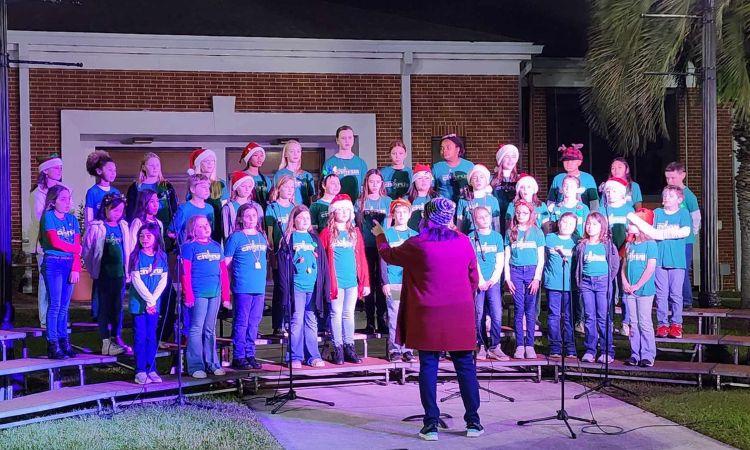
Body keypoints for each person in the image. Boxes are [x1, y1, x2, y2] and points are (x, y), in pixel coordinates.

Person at [374, 197, 482, 441]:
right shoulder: (463, 242)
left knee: (429, 366)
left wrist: (380, 235)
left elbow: (388, 255)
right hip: (459, 312)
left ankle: (431, 425)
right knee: (465, 366)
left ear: (426, 217)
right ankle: (473, 422)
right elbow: (473, 277)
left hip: (428, 313)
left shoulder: (418, 243)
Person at [627, 186, 691, 339]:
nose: (667, 198)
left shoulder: (683, 213)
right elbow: (650, 232)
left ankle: (676, 324)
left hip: (677, 262)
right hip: (659, 261)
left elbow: (685, 231)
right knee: (661, 295)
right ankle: (662, 324)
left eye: (671, 196)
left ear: (679, 200)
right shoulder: (657, 213)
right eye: (665, 195)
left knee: (676, 295)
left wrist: (660, 234)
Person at [319, 194, 370, 365]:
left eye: (346, 209)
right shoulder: (326, 233)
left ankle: (349, 347)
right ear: (333, 213)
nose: (343, 212)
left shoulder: (355, 233)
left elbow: (362, 259)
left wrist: (365, 282)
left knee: (348, 314)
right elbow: (321, 260)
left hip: (351, 282)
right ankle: (338, 348)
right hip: (336, 283)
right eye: (339, 209)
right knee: (336, 313)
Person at [278, 205, 328, 368]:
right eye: (301, 218)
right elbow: (283, 266)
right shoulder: (289, 238)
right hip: (297, 287)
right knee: (297, 321)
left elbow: (323, 264)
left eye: (308, 218)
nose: (305, 221)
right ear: (294, 220)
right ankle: (294, 357)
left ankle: (313, 356)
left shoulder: (314, 239)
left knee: (311, 321)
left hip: (312, 287)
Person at [180, 215, 231, 378]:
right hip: (198, 293)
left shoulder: (216, 246)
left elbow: (223, 273)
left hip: (214, 293)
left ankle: (212, 363)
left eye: (207, 225)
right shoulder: (189, 247)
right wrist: (188, 295)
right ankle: (195, 366)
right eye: (200, 226)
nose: (205, 228)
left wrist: (226, 296)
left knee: (210, 329)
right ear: (193, 230)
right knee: (196, 328)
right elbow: (185, 273)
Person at [82, 193, 132, 356]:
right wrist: (93, 270)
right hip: (104, 274)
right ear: (105, 208)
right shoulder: (96, 227)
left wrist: (128, 270)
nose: (117, 214)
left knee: (117, 307)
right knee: (103, 307)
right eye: (114, 210)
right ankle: (105, 341)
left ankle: (117, 337)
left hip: (119, 275)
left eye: (120, 211)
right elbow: (87, 250)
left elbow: (128, 249)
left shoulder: (123, 226)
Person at [39, 184, 81, 359]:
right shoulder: (48, 217)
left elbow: (77, 245)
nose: (67, 202)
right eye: (62, 199)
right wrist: (76, 249)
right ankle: (53, 343)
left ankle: (64, 341)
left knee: (64, 306)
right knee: (55, 304)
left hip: (69, 264)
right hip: (54, 263)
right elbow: (55, 242)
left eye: (68, 199)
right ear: (53, 201)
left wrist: (76, 268)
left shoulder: (73, 220)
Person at [224, 203, 268, 370]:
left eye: (254, 216)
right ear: (241, 219)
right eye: (247, 216)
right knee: (242, 322)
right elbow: (226, 263)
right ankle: (239, 356)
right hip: (243, 286)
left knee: (254, 322)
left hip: (259, 286)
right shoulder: (236, 237)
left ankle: (250, 354)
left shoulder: (261, 236)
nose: (251, 219)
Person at [575, 212, 620, 363]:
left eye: (595, 224)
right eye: (588, 223)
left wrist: (607, 280)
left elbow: (615, 265)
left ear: (602, 226)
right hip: (586, 284)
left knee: (603, 317)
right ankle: (590, 350)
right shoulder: (582, 245)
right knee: (589, 317)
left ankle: (607, 351)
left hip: (602, 283)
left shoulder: (607, 245)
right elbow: (578, 265)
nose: (590, 227)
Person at [504, 200, 545, 360]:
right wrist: (507, 278)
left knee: (530, 309)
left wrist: (537, 278)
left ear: (530, 214)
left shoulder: (537, 232)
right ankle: (520, 345)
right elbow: (507, 257)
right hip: (515, 272)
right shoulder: (510, 232)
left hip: (531, 272)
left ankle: (530, 345)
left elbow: (541, 258)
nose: (521, 215)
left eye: (525, 213)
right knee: (519, 309)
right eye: (518, 212)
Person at [129, 222, 168, 384]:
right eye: (141, 236)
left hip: (153, 306)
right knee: (140, 336)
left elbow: (163, 280)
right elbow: (136, 280)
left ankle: (151, 368)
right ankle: (140, 370)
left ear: (156, 237)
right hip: (140, 305)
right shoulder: (136, 256)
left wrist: (153, 301)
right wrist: (149, 300)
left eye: (148, 236)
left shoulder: (162, 257)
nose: (144, 239)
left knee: (151, 336)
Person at [379, 198, 417, 362]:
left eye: (404, 212)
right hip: (394, 281)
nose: (401, 215)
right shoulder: (387, 234)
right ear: (393, 215)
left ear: (409, 215)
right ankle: (395, 349)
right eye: (398, 212)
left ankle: (408, 349)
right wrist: (385, 282)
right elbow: (382, 260)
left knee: (410, 316)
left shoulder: (415, 235)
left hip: (411, 283)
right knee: (394, 315)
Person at [29, 153, 63, 328]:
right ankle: (45, 318)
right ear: (46, 171)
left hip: (61, 242)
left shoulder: (63, 189)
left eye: (60, 168)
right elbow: (39, 219)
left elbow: (69, 211)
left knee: (60, 282)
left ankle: (59, 317)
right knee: (45, 281)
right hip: (45, 244)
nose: (59, 170)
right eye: (56, 168)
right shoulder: (37, 193)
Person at [621, 208, 658, 367]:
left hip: (644, 291)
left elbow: (650, 268)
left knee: (644, 323)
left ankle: (648, 355)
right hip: (629, 290)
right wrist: (625, 282)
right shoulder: (629, 245)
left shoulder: (650, 244)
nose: (629, 226)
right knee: (633, 323)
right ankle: (635, 354)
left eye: (632, 223)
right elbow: (624, 266)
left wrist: (637, 285)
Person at [470, 207, 508, 361]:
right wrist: (480, 280)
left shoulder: (497, 237)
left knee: (496, 313)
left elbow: (500, 261)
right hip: (478, 282)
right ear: (475, 220)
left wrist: (493, 279)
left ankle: (495, 346)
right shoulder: (471, 237)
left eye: (486, 216)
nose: (484, 219)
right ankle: (481, 345)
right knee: (478, 313)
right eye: (480, 217)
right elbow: (473, 261)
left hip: (493, 283)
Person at [357, 169, 392, 334]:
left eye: (378, 181)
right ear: (366, 183)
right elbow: (358, 225)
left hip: (382, 247)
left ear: (382, 183)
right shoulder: (360, 202)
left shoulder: (387, 201)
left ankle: (383, 320)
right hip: (367, 247)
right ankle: (370, 321)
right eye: (371, 181)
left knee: (382, 283)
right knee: (369, 283)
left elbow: (389, 226)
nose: (374, 185)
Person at [664, 161, 701, 310]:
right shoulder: (667, 194)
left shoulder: (689, 196)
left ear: (682, 175)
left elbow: (696, 217)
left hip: (685, 241)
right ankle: (670, 299)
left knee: (682, 269)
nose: (670, 181)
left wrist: (692, 234)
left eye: (673, 178)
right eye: (667, 178)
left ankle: (686, 300)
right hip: (670, 240)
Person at [601, 177, 635, 336]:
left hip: (625, 254)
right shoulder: (602, 209)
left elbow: (632, 233)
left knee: (624, 289)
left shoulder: (629, 210)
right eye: (608, 191)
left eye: (614, 190)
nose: (610, 193)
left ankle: (626, 322)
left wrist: (623, 251)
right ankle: (608, 320)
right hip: (607, 255)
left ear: (621, 193)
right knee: (608, 289)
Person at [544, 212, 578, 360]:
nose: (567, 226)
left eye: (571, 223)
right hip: (553, 284)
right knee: (554, 316)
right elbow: (544, 258)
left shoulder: (577, 240)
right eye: (564, 222)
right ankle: (555, 347)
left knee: (569, 316)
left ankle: (570, 347)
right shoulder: (549, 238)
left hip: (570, 286)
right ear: (558, 223)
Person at [266, 175, 296, 335]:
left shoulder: (295, 208)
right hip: (279, 253)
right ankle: (278, 324)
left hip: (294, 253)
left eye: (292, 187)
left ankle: (291, 321)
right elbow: (270, 234)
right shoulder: (272, 207)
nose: (290, 190)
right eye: (287, 187)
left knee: (292, 289)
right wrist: (272, 253)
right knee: (281, 288)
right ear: (279, 188)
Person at [124, 152, 178, 241]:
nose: (155, 168)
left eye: (157, 165)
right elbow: (130, 211)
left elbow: (174, 209)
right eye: (151, 165)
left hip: (165, 231)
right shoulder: (136, 187)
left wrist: (172, 229)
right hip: (142, 233)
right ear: (143, 167)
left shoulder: (167, 186)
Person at [186, 148, 228, 243]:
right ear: (199, 164)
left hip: (216, 220)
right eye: (206, 161)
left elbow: (224, 204)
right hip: (199, 220)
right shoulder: (193, 183)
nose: (210, 164)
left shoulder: (221, 183)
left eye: (212, 161)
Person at [322, 125, 368, 202]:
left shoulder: (361, 163)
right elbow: (324, 186)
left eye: (350, 138)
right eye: (343, 138)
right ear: (337, 140)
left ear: (353, 139)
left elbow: (365, 188)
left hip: (356, 205)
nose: (347, 141)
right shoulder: (329, 163)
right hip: (335, 204)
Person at [547, 144, 599, 211]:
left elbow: (594, 201)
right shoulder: (558, 178)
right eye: (566, 160)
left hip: (582, 214)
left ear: (579, 162)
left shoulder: (588, 178)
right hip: (560, 214)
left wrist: (592, 215)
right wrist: (551, 212)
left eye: (572, 160)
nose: (569, 163)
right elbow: (551, 199)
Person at [169, 174, 215, 244]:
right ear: (192, 189)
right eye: (203, 187)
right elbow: (171, 232)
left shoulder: (210, 208)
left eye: (208, 187)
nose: (207, 190)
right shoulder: (184, 209)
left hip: (205, 247)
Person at [457, 164, 501, 234]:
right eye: (475, 178)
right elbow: (459, 224)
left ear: (486, 181)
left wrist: (496, 237)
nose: (478, 180)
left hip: (488, 238)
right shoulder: (463, 201)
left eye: (481, 177)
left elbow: (496, 225)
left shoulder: (493, 200)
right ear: (470, 182)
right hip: (469, 237)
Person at [221, 171, 263, 242]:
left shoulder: (257, 207)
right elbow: (226, 232)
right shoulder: (228, 208)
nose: (247, 189)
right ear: (236, 187)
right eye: (243, 186)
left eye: (249, 186)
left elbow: (260, 228)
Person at [431, 134, 474, 204]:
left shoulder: (469, 166)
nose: (444, 150)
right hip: (443, 207)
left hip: (465, 205)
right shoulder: (436, 167)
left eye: (448, 147)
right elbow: (431, 189)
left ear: (458, 149)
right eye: (442, 148)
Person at [275, 139, 316, 206]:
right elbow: (275, 196)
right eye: (292, 151)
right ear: (285, 154)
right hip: (286, 210)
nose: (295, 154)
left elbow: (312, 198)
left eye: (298, 151)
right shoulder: (279, 174)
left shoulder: (307, 175)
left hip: (303, 210)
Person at [491, 144, 520, 237]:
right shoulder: (491, 180)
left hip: (514, 219)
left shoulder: (520, 179)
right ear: (501, 159)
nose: (510, 160)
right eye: (507, 157)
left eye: (513, 157)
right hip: (496, 219)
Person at [85, 150, 120, 225]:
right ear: (99, 171)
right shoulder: (92, 192)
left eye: (114, 170)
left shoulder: (116, 192)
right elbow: (89, 218)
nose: (113, 173)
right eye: (110, 170)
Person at [240, 142, 273, 211]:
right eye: (256, 155)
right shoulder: (241, 177)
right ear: (249, 158)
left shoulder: (266, 179)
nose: (259, 158)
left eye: (261, 156)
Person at [128, 189, 164, 254]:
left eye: (157, 201)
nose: (156, 205)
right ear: (144, 203)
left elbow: (161, 244)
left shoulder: (159, 223)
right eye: (152, 201)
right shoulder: (138, 222)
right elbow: (132, 244)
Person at [406, 164, 434, 231]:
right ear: (414, 181)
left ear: (431, 181)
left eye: (427, 178)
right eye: (420, 178)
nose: (423, 181)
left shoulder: (437, 198)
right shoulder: (406, 199)